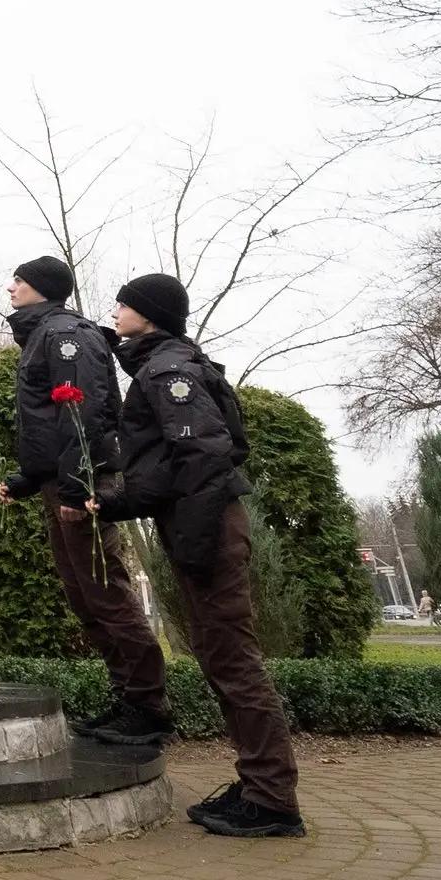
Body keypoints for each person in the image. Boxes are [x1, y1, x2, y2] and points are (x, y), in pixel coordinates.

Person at [81, 272, 304, 839]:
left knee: (233, 662)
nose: (115, 311)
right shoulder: (163, 363)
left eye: (124, 304)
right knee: (221, 656)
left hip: (206, 528)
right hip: (199, 524)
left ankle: (272, 799)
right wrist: (114, 503)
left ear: (149, 315)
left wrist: (198, 546)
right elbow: (164, 469)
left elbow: (204, 457)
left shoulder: (168, 372)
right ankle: (259, 786)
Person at [0, 257, 169, 745]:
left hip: (82, 487)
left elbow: (83, 414)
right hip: (62, 484)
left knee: (106, 593)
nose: (10, 287)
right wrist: (27, 479)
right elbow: (50, 426)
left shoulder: (67, 335)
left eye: (19, 280)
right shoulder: (43, 334)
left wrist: (75, 487)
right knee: (86, 596)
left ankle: (149, 707)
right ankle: (128, 699)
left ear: (42, 288)